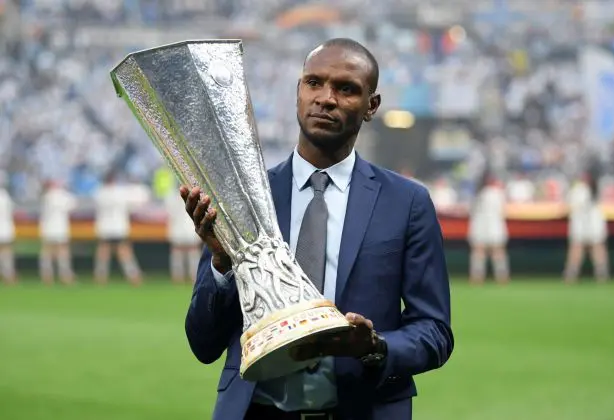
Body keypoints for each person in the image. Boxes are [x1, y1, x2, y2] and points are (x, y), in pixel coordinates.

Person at [181, 38, 454, 420]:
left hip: (361, 409)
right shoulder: (243, 197)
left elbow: (435, 332)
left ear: (371, 106)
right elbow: (203, 343)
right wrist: (221, 266)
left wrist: (374, 346)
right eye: (314, 83)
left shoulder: (407, 203)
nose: (326, 98)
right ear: (298, 91)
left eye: (346, 89)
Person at [93, 172, 143, 285]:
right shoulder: (121, 193)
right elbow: (134, 206)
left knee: (103, 251)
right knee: (124, 251)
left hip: (104, 226)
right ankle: (133, 276)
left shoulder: (99, 192)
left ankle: (100, 276)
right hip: (118, 226)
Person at [563, 169, 609, 283]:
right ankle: (571, 274)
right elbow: (570, 205)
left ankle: (602, 273)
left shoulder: (596, 187)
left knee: (597, 246)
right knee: (577, 247)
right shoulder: (577, 189)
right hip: (580, 221)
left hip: (593, 220)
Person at [467, 169, 510, 284]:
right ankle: (499, 277)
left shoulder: (485, 193)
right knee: (488, 251)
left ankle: (480, 277)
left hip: (487, 224)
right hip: (487, 224)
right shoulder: (493, 193)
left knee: (489, 251)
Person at [39, 180, 76, 285]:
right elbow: (73, 205)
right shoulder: (62, 195)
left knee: (47, 253)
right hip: (60, 228)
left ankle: (47, 277)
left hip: (48, 228)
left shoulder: (46, 196)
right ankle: (65, 276)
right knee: (62, 252)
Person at [164, 188, 201, 284]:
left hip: (183, 227)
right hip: (185, 227)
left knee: (182, 252)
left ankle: (180, 277)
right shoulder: (172, 197)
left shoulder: (171, 197)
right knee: (186, 252)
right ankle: (190, 277)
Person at [0, 174, 17, 284]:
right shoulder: (5, 196)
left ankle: (7, 274)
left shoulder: (4, 195)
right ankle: (9, 275)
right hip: (5, 228)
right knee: (6, 252)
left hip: (4, 226)